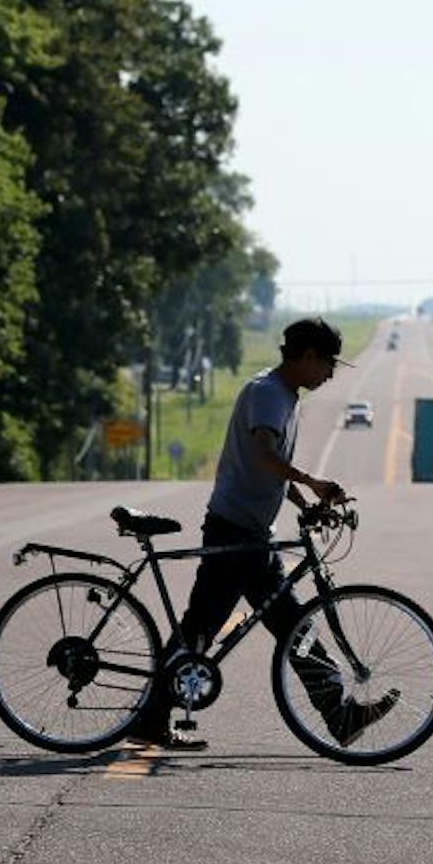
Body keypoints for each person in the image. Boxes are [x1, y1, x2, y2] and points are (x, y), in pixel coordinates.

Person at [129, 317, 400, 751]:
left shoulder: (283, 396)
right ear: (307, 356)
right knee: (202, 628)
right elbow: (262, 456)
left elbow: (271, 471)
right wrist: (313, 481)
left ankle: (340, 714)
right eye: (328, 363)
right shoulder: (267, 394)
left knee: (294, 626)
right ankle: (150, 717)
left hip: (254, 537)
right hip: (234, 533)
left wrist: (303, 503)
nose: (330, 373)